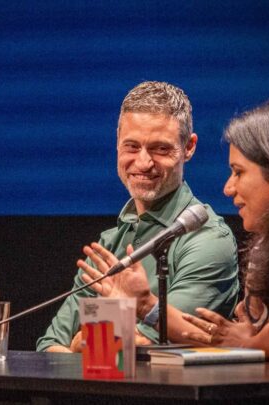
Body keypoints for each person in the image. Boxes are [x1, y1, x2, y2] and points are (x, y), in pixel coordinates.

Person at [86, 100, 269, 362]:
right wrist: (146, 306)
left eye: (238, 172)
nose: (228, 188)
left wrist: (243, 340)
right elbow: (231, 338)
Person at [36, 81, 239, 352]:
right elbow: (49, 347)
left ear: (189, 147)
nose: (143, 163)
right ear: (117, 142)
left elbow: (146, 344)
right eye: (132, 147)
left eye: (160, 149)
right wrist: (95, 341)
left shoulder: (208, 241)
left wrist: (85, 341)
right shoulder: (110, 243)